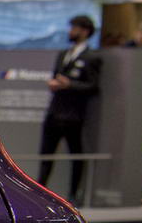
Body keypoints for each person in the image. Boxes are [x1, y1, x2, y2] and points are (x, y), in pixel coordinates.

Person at [37, 14, 101, 202]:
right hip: (54, 112)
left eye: (74, 28)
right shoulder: (63, 54)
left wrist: (69, 85)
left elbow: (93, 86)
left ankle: (74, 194)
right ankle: (40, 192)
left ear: (85, 31)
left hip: (73, 115)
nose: (71, 32)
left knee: (76, 155)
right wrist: (55, 84)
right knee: (45, 155)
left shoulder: (91, 57)